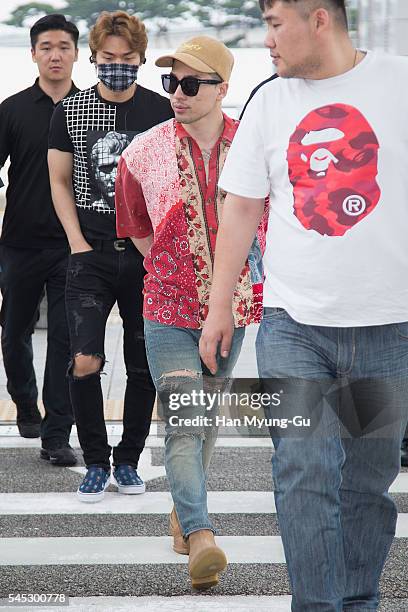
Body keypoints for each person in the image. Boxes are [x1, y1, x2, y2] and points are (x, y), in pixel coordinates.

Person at [199, 1, 408, 610]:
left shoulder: (399, 84)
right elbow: (240, 208)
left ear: (319, 19)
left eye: (274, 24)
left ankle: (358, 600)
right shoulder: (269, 101)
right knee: (303, 473)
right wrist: (218, 309)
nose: (266, 41)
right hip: (294, 329)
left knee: (366, 484)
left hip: (385, 330)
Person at [115, 36, 267, 589]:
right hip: (166, 308)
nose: (176, 94)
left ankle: (183, 511)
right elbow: (133, 224)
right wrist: (175, 270)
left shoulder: (255, 147)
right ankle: (201, 533)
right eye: (170, 83)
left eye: (190, 84)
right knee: (184, 419)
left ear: (223, 88)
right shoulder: (143, 152)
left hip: (236, 309)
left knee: (205, 417)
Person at [48, 11, 173, 502]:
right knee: (84, 359)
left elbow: (172, 182)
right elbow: (59, 181)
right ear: (94, 57)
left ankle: (128, 460)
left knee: (143, 365)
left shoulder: (161, 109)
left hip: (145, 258)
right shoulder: (72, 110)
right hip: (90, 255)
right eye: (108, 58)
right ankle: (95, 461)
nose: (117, 65)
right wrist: (77, 242)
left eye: (127, 59)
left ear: (140, 59)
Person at [0, 14, 79, 466]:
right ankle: (26, 405)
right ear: (33, 53)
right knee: (14, 332)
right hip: (20, 244)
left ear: (75, 53)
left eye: (63, 46)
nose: (55, 54)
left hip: (74, 244)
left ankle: (56, 435)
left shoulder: (88, 107)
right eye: (46, 46)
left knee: (66, 340)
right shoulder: (12, 109)